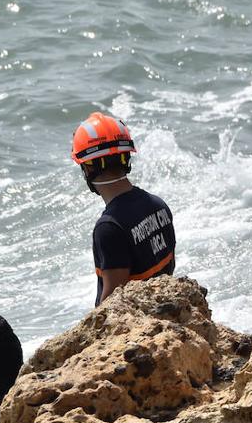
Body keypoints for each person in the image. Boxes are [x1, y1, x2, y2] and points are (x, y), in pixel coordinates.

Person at [71, 112, 176, 306]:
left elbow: (113, 305)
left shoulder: (109, 228)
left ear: (87, 168)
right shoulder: (159, 206)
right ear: (126, 158)